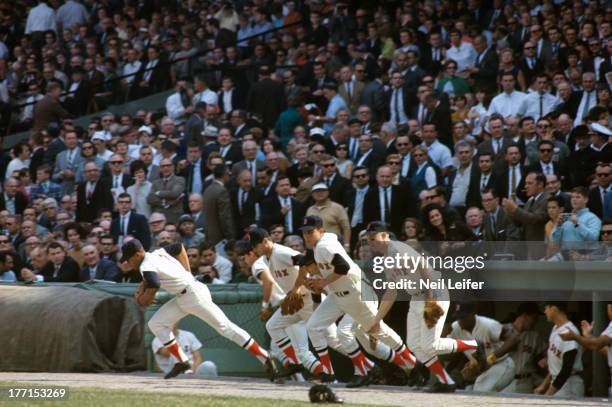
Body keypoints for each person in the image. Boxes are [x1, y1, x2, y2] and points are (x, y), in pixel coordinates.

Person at [119, 239, 279, 380]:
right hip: (185, 296)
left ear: (137, 254)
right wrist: (187, 272)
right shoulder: (157, 253)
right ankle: (182, 361)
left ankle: (265, 356)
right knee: (156, 323)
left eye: (129, 259)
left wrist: (144, 297)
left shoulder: (146, 265)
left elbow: (154, 283)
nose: (128, 263)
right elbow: (178, 247)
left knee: (226, 328)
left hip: (193, 296)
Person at [366, 222, 482, 393]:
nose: (370, 241)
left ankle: (474, 345)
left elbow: (425, 268)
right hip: (416, 298)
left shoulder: (398, 249)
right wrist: (376, 321)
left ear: (385, 235)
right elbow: (391, 293)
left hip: (433, 293)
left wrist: (430, 300)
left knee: (430, 345)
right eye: (368, 238)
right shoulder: (385, 260)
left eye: (373, 237)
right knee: (414, 344)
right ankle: (446, 382)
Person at [534, 302, 584, 397]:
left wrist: (549, 393)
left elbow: (566, 369)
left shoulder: (569, 331)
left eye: (546, 308)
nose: (544, 312)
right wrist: (544, 385)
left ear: (554, 309)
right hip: (559, 383)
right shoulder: (555, 328)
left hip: (569, 384)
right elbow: (558, 366)